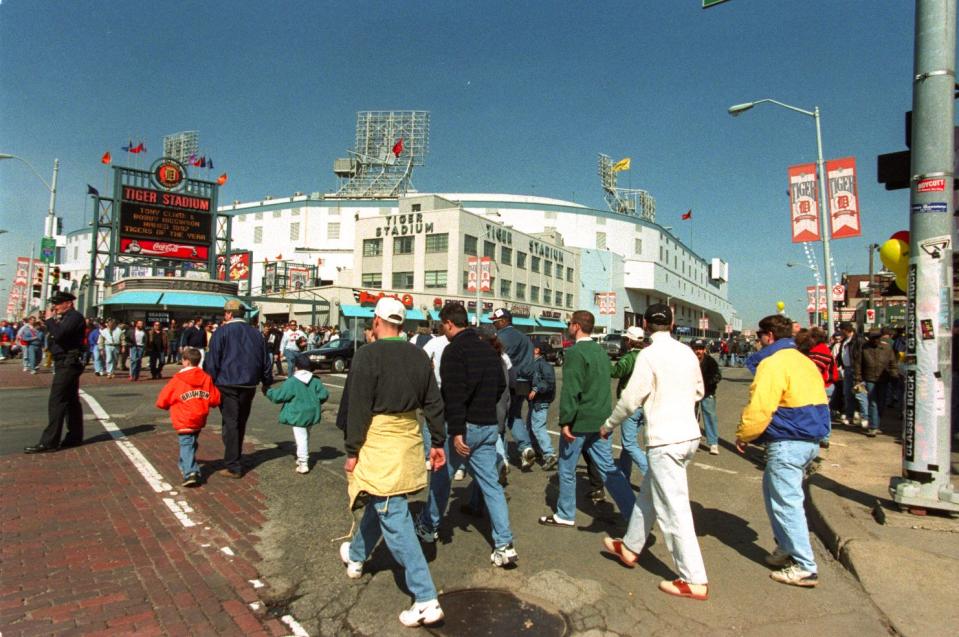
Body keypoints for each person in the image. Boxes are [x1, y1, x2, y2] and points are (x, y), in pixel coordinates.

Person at [338, 297, 447, 628]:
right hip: (409, 436)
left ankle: (426, 597)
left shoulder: (368, 355)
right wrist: (438, 442)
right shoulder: (418, 354)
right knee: (383, 500)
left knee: (392, 513)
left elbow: (357, 406)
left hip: (379, 438)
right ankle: (356, 555)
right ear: (401, 323)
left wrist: (352, 449)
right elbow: (433, 401)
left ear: (376, 322)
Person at [599, 304, 709, 602]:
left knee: (674, 510)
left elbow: (630, 398)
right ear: (672, 324)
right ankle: (631, 546)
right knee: (649, 493)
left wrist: (609, 425)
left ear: (645, 324)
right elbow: (699, 391)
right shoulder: (687, 353)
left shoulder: (648, 355)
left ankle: (693, 578)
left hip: (665, 440)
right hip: (688, 436)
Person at [416, 303, 517, 566]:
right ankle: (504, 543)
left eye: (442, 325)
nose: (442, 330)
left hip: (463, 427)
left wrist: (458, 431)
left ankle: (428, 525)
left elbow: (454, 395)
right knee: (491, 485)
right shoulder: (488, 348)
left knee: (441, 477)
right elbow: (499, 386)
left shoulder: (454, 351)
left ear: (449, 323)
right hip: (487, 426)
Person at [736, 315, 830, 588]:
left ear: (769, 336)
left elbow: (761, 406)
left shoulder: (772, 363)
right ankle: (787, 548)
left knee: (786, 503)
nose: (756, 342)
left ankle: (804, 565)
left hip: (787, 441)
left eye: (758, 337)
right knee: (775, 496)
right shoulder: (803, 360)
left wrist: (744, 434)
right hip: (808, 439)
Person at [539, 310, 636, 528]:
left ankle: (565, 513)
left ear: (576, 326)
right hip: (601, 420)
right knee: (608, 469)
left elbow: (571, 390)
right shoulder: (601, 351)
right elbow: (602, 386)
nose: (569, 327)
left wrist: (566, 421)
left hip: (579, 422)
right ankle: (634, 513)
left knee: (566, 468)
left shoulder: (575, 353)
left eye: (570, 323)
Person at [203, 300, 273, 478]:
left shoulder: (222, 332)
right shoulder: (256, 334)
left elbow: (213, 360)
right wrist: (266, 381)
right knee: (239, 421)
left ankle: (233, 463)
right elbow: (266, 360)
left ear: (228, 314)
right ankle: (234, 455)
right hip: (249, 384)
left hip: (227, 383)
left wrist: (209, 380)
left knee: (231, 422)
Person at [24, 292, 87, 453]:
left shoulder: (75, 317)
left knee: (57, 401)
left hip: (69, 362)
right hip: (63, 361)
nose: (55, 307)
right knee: (70, 401)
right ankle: (74, 436)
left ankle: (49, 442)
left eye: (58, 304)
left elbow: (60, 334)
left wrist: (50, 320)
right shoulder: (66, 318)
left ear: (68, 303)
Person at [155, 347, 221, 487]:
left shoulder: (178, 379)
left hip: (183, 416)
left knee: (186, 443)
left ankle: (190, 472)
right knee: (191, 443)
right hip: (199, 416)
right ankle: (184, 464)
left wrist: (164, 405)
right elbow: (215, 398)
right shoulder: (206, 377)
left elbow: (163, 398)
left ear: (185, 361)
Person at [266, 353, 330, 474]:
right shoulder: (315, 380)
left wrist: (268, 391)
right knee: (305, 436)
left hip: (298, 414)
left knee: (301, 438)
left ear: (296, 367)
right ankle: (302, 458)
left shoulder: (292, 382)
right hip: (312, 412)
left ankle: (303, 462)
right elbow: (324, 395)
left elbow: (278, 397)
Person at [491, 308, 536, 470]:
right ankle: (525, 447)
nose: (494, 324)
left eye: (495, 321)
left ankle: (502, 457)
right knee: (515, 415)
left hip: (509, 381)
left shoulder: (501, 337)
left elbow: (499, 362)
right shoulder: (524, 337)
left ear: (504, 321)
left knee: (500, 417)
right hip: (525, 382)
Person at [610, 325, 648, 480]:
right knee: (628, 443)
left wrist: (602, 362)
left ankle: (650, 474)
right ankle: (624, 475)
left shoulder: (629, 357)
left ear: (629, 341)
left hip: (631, 405)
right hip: (645, 404)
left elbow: (616, 372)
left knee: (629, 443)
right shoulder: (648, 355)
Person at [796, 327, 839, 448]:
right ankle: (822, 436)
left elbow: (815, 369)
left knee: (822, 412)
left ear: (814, 338)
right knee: (821, 412)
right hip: (822, 385)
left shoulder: (821, 350)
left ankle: (824, 437)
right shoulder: (817, 349)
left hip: (824, 385)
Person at [860, 328, 898, 437]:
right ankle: (873, 426)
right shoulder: (865, 347)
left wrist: (894, 374)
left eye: (876, 338)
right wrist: (857, 378)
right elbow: (859, 363)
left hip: (884, 378)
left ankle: (876, 423)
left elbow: (892, 362)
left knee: (881, 402)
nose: (874, 340)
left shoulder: (887, 348)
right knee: (873, 402)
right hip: (869, 377)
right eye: (872, 338)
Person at [527, 340, 557, 470]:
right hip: (535, 402)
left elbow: (549, 382)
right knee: (530, 426)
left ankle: (549, 454)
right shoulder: (535, 363)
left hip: (541, 401)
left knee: (538, 428)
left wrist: (536, 388)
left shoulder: (544, 365)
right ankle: (537, 450)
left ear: (537, 350)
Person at [692, 338, 722, 455]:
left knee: (709, 416)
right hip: (691, 393)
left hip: (707, 392)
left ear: (704, 349)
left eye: (700, 349)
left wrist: (709, 383)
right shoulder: (687, 360)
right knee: (691, 417)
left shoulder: (710, 361)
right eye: (695, 348)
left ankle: (713, 443)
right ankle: (693, 441)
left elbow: (717, 376)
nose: (698, 351)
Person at [838, 322, 868, 428]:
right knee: (848, 394)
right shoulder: (845, 341)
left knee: (860, 395)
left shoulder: (858, 340)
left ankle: (865, 417)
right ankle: (850, 416)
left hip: (856, 370)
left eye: (841, 330)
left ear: (845, 330)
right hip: (847, 369)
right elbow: (841, 355)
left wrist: (859, 371)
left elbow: (862, 356)